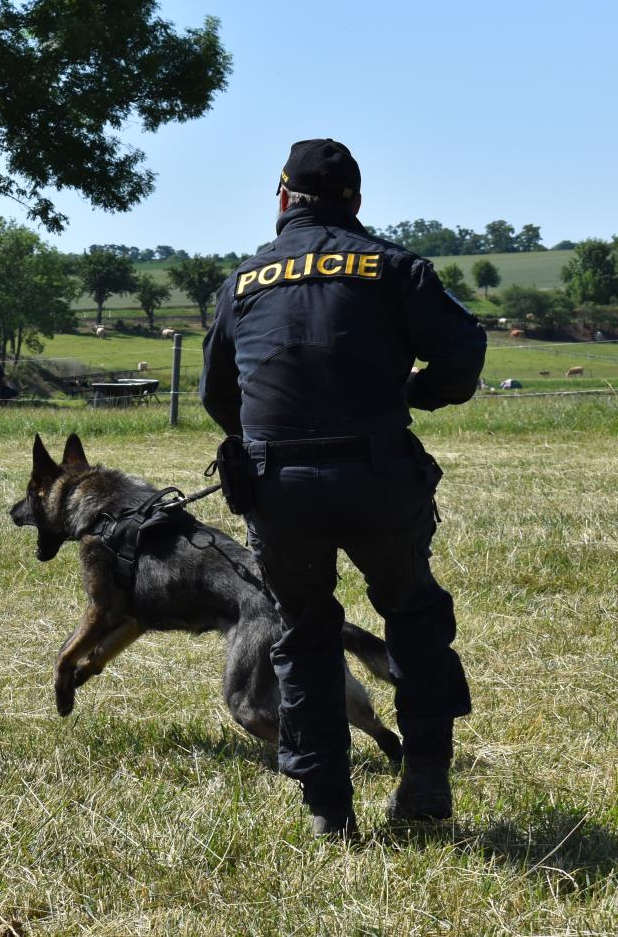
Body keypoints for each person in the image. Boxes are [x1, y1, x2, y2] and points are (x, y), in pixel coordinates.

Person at [200, 139, 485, 838]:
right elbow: (463, 354)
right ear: (355, 200)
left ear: (282, 198)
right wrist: (416, 391)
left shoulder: (241, 281)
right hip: (378, 475)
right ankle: (423, 774)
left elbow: (218, 396)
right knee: (412, 616)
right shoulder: (395, 267)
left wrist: (274, 436)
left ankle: (329, 809)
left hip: (279, 485)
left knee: (305, 634)